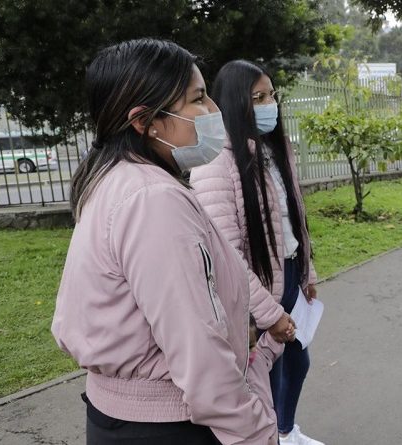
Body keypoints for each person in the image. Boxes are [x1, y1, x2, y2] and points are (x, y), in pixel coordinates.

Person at [51, 39, 278, 445]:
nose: (214, 112)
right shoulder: (152, 199)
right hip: (169, 424)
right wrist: (256, 434)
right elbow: (198, 349)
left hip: (127, 417)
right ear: (145, 122)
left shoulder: (116, 179)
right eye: (198, 99)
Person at [190, 60, 323, 445]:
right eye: (257, 98)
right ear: (235, 104)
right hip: (256, 290)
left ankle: (284, 431)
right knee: (264, 375)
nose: (270, 105)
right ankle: (271, 438)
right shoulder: (216, 163)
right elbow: (228, 258)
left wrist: (307, 272)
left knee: (297, 362)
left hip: (289, 273)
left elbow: (292, 219)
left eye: (272, 95)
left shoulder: (274, 150)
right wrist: (267, 314)